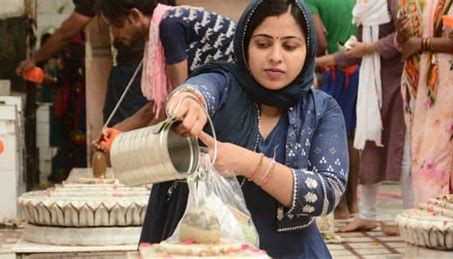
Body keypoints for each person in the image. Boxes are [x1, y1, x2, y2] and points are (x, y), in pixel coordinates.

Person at [139, 0, 348, 257]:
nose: (275, 56)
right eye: (262, 43)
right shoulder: (225, 85)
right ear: (244, 45)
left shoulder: (322, 109)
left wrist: (251, 164)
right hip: (215, 252)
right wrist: (188, 102)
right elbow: (198, 90)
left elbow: (327, 193)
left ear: (308, 51)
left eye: (290, 46)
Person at [317, 0, 415, 234]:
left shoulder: (394, 3)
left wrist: (367, 48)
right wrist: (322, 62)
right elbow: (356, 52)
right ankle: (367, 215)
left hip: (396, 83)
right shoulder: (363, 5)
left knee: (401, 148)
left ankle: (410, 217)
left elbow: (404, 40)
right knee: (370, 147)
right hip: (371, 86)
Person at [15, 1, 174, 127]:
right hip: (153, 59)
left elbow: (66, 32)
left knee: (124, 129)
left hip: (136, 63)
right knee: (132, 123)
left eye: (115, 25)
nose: (113, 33)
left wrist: (34, 59)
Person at [95, 0, 236, 132]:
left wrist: (129, 140)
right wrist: (115, 133)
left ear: (135, 15)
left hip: (235, 95)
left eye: (116, 25)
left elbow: (179, 101)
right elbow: (155, 107)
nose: (114, 33)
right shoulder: (166, 23)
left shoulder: (169, 26)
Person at [396, 0, 453, 204]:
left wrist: (423, 44)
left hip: (450, 88)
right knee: (422, 156)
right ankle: (431, 225)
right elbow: (402, 44)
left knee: (439, 157)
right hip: (420, 88)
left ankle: (440, 221)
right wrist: (401, 33)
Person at [306, 0, 360, 220]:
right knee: (353, 137)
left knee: (334, 136)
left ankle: (339, 207)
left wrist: (314, 60)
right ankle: (353, 203)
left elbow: (319, 40)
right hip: (361, 70)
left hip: (336, 73)